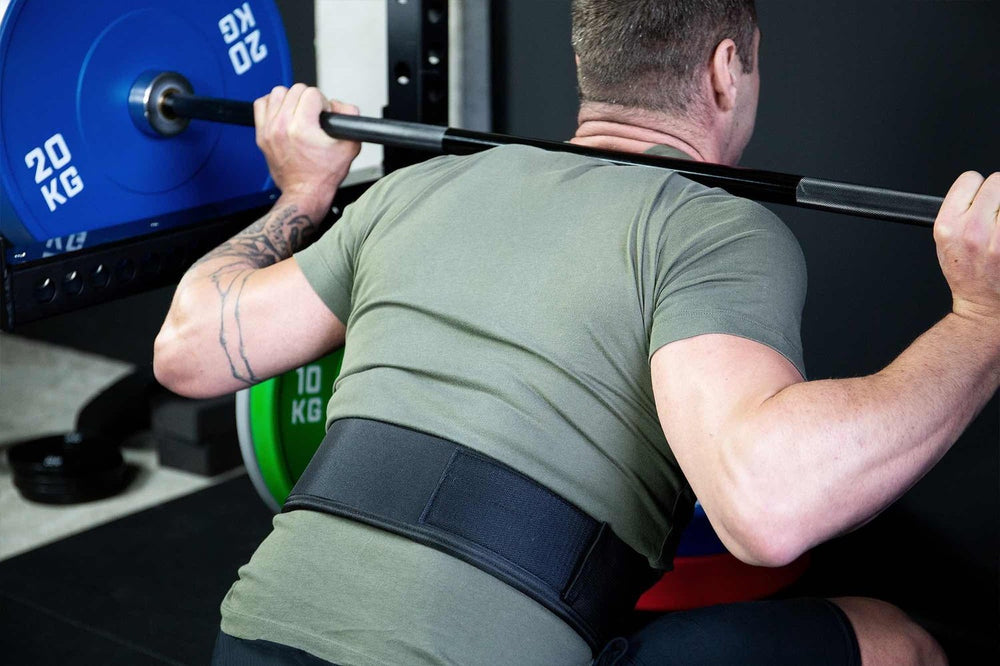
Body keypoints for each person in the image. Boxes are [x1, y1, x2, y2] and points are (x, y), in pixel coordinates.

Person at [153, 1, 996, 664]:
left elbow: (187, 349)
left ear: (589, 62)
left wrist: (302, 192)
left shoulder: (415, 191)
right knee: (896, 642)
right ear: (725, 70)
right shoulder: (709, 228)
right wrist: (982, 320)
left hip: (254, 643)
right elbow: (767, 508)